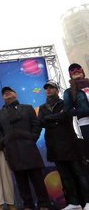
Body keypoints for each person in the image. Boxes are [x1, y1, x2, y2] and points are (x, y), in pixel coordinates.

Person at [0, 86, 50, 210]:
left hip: (29, 149)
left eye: (9, 91)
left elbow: (36, 125)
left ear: (16, 94)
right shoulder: (0, 114)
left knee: (37, 180)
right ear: (3, 98)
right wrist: (4, 142)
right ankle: (28, 205)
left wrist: (32, 138)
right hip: (13, 151)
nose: (6, 93)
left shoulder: (28, 108)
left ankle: (43, 204)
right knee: (21, 183)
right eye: (4, 93)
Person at [38, 80, 89, 210]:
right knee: (65, 177)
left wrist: (51, 119)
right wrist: (56, 118)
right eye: (46, 88)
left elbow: (65, 117)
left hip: (70, 143)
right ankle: (74, 203)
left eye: (51, 88)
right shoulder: (43, 107)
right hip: (54, 146)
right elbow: (41, 122)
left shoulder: (65, 103)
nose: (48, 90)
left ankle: (88, 201)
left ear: (57, 90)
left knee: (79, 174)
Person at [63, 63, 89, 140]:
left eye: (78, 68)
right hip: (86, 123)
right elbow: (68, 111)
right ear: (70, 75)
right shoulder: (68, 92)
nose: (76, 70)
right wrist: (85, 111)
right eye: (72, 70)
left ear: (83, 71)